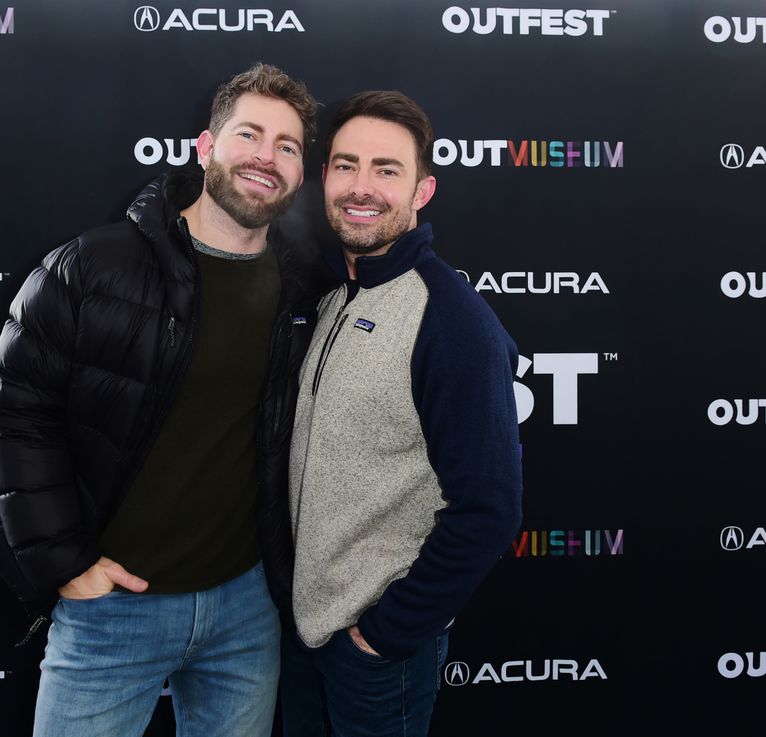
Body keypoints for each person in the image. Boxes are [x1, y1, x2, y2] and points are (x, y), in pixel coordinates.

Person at [0, 63, 321, 737]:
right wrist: (65, 563)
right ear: (205, 147)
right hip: (112, 611)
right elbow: (16, 409)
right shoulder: (92, 266)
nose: (265, 157)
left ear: (300, 174)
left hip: (247, 609)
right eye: (249, 134)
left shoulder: (305, 286)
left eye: (287, 146)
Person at [279, 91, 524, 737]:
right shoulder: (337, 293)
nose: (362, 187)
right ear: (323, 176)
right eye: (345, 165)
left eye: (387, 170)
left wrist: (383, 635)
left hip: (376, 654)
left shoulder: (450, 321)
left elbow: (490, 507)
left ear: (423, 190)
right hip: (305, 634)